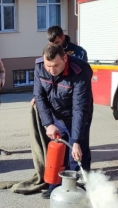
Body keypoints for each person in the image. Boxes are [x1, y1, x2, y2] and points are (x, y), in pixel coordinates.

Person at [34, 43, 93, 192]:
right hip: (56, 116)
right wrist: (48, 124)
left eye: (55, 66)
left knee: (77, 155)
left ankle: (78, 190)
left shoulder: (80, 70)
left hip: (77, 115)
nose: (51, 70)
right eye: (48, 66)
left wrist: (77, 141)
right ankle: (55, 186)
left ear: (65, 58)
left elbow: (79, 107)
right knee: (57, 151)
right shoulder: (40, 67)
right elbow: (40, 97)